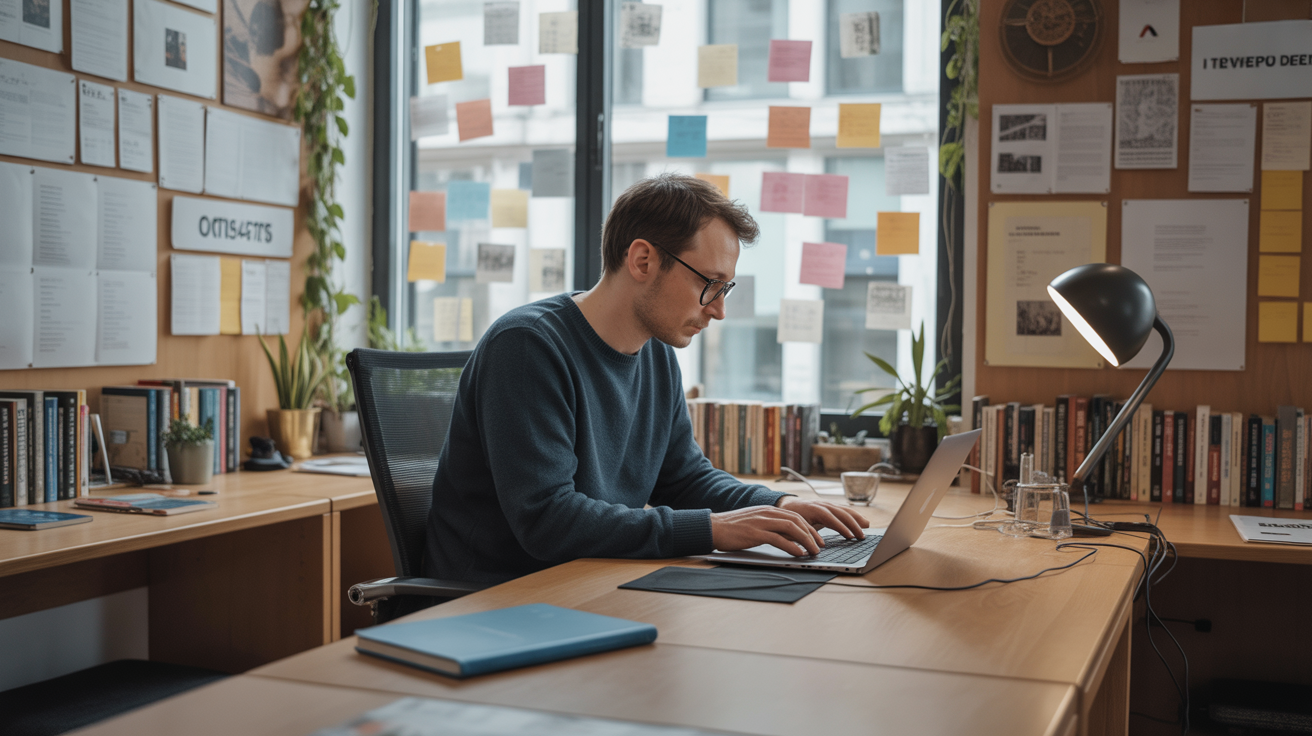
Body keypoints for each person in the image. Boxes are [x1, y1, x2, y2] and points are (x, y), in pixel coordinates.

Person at [425, 173, 867, 584]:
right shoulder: (527, 347)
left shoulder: (654, 352)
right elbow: (548, 520)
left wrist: (777, 505)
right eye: (710, 283)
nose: (718, 309)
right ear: (642, 260)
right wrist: (712, 529)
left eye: (725, 288)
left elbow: (682, 479)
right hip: (501, 603)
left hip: (590, 584)